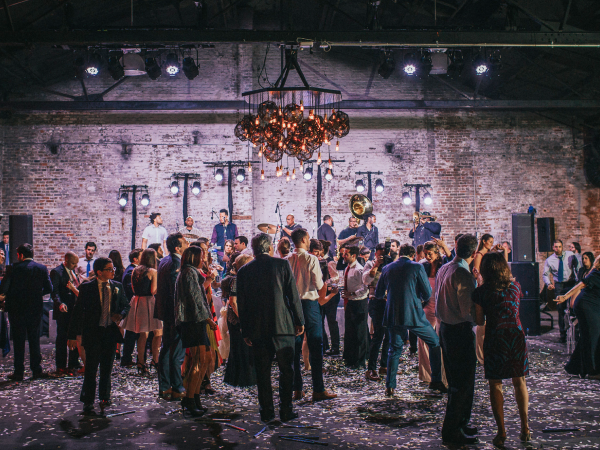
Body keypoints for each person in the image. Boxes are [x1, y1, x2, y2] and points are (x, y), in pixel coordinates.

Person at [237, 233, 305, 422]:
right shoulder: (282, 265)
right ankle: (286, 410)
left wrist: (246, 330)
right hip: (282, 326)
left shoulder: (244, 271)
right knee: (287, 371)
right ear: (269, 247)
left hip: (258, 329)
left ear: (253, 248)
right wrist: (300, 320)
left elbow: (242, 305)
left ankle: (266, 413)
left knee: (263, 374)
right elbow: (293, 295)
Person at [474, 252, 530, 446]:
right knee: (519, 380)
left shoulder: (481, 291)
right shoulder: (515, 286)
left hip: (496, 336)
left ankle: (502, 432)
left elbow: (480, 320)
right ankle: (525, 427)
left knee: (495, 383)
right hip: (516, 334)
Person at [374, 244, 441, 398]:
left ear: (400, 253)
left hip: (393, 314)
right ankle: (436, 380)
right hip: (414, 314)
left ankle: (390, 387)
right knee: (434, 342)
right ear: (412, 255)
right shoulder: (417, 267)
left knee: (394, 349)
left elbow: (378, 293)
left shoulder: (387, 268)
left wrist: (388, 296)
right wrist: (420, 299)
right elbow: (427, 292)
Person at [67, 257, 130, 415]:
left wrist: (120, 315)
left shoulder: (117, 286)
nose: (112, 272)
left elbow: (126, 304)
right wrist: (72, 335)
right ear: (99, 272)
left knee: (107, 368)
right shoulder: (87, 288)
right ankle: (88, 400)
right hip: (93, 332)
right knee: (91, 368)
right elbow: (77, 311)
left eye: (113, 269)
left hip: (109, 331)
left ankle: (105, 396)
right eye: (109, 269)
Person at [435, 234, 479, 445]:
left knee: (456, 381)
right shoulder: (463, 274)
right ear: (474, 252)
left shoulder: (445, 267)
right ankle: (452, 430)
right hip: (458, 331)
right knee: (462, 383)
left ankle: (461, 423)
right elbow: (466, 312)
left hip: (445, 328)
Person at [287, 228, 336, 402]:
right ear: (304, 239)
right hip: (309, 304)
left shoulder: (286, 259)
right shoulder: (311, 259)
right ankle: (318, 389)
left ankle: (297, 389)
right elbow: (318, 283)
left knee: (295, 347)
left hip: (292, 306)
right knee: (316, 344)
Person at [174, 246, 218, 416]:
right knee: (199, 360)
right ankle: (190, 398)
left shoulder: (190, 273)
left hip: (195, 320)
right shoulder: (189, 273)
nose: (203, 259)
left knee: (205, 358)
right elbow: (195, 299)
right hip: (192, 321)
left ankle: (195, 396)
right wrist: (208, 319)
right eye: (201, 256)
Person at [3, 244, 53, 381]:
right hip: (35, 308)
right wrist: (37, 294)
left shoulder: (13, 268)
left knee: (18, 341)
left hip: (17, 309)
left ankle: (19, 372)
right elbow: (49, 288)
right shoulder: (41, 268)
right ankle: (36, 370)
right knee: (34, 339)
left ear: (20, 255)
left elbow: (5, 287)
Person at [155, 233, 188, 401]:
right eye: (185, 243)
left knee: (166, 349)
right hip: (176, 314)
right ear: (177, 247)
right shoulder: (176, 262)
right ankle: (177, 386)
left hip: (165, 312)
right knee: (176, 351)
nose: (188, 244)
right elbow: (177, 291)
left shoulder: (163, 261)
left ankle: (164, 386)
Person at [557, 254, 600, 380]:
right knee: (592, 337)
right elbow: (581, 285)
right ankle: (591, 370)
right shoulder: (596, 274)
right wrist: (565, 296)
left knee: (590, 336)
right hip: (586, 306)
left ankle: (574, 367)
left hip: (594, 306)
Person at [122, 248, 163, 374]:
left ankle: (140, 362)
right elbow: (153, 291)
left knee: (142, 334)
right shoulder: (153, 271)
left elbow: (133, 288)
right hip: (149, 302)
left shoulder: (135, 270)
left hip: (137, 301)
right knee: (158, 332)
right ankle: (155, 360)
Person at [222, 254, 257, 387]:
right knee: (241, 348)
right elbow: (233, 301)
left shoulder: (245, 278)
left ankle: (241, 378)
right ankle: (242, 379)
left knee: (243, 349)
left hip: (240, 318)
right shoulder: (238, 279)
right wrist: (243, 317)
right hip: (238, 320)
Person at [418, 242, 447, 392]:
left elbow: (454, 259)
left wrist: (445, 247)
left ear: (437, 253)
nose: (427, 257)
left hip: (441, 306)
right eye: (425, 253)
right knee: (423, 340)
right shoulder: (424, 266)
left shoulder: (444, 264)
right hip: (427, 306)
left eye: (430, 253)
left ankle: (440, 375)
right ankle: (426, 374)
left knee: (440, 342)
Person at [50, 252, 82, 376]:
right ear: (66, 260)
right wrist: (60, 304)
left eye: (76, 263)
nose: (75, 265)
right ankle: (61, 365)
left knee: (74, 336)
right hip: (63, 309)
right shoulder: (56, 272)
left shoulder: (73, 271)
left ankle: (73, 362)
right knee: (62, 338)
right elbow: (54, 292)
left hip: (74, 309)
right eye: (73, 263)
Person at [543, 239, 577, 343]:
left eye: (559, 247)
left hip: (571, 283)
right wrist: (549, 283)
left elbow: (577, 266)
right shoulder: (549, 260)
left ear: (562, 247)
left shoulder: (570, 255)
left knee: (573, 308)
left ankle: (574, 334)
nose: (558, 249)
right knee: (561, 310)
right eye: (556, 247)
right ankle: (563, 335)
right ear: (553, 248)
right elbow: (545, 274)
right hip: (559, 285)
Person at [363, 243, 389, 381]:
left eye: (384, 255)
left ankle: (384, 365)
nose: (382, 257)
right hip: (375, 302)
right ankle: (371, 368)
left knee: (389, 335)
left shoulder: (390, 264)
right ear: (375, 253)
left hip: (388, 302)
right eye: (380, 254)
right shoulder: (369, 264)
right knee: (378, 335)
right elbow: (366, 280)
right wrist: (376, 265)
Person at [341, 246, 369, 369]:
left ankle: (360, 361)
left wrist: (352, 294)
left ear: (353, 255)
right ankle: (351, 358)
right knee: (350, 331)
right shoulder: (347, 268)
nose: (343, 256)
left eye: (346, 254)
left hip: (359, 303)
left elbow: (365, 288)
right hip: (350, 302)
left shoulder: (359, 270)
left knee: (360, 333)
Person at [120, 248, 142, 368]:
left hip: (133, 305)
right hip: (132, 305)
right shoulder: (130, 271)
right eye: (141, 256)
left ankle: (128, 357)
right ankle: (126, 357)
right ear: (135, 258)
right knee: (131, 333)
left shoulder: (132, 269)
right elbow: (131, 289)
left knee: (132, 332)